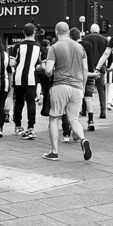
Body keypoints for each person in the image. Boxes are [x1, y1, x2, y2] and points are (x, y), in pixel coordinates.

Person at [40, 22, 92, 161]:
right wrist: (83, 85)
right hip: (77, 87)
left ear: (57, 32)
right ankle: (83, 139)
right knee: (74, 119)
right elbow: (85, 69)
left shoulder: (54, 47)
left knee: (54, 119)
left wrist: (47, 71)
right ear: (68, 32)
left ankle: (54, 151)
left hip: (60, 86)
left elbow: (48, 70)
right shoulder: (80, 47)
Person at [10, 24, 41, 139]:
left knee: (18, 101)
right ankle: (31, 127)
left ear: (23, 32)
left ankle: (18, 126)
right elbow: (40, 65)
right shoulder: (38, 47)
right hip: (31, 78)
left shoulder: (17, 46)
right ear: (34, 33)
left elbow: (12, 63)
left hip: (18, 77)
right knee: (31, 102)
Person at [80, 24, 108, 130]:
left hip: (89, 67)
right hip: (100, 67)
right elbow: (108, 53)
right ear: (99, 30)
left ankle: (84, 110)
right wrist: (108, 65)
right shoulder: (104, 39)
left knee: (86, 89)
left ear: (90, 30)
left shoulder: (85, 39)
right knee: (101, 89)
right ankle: (103, 111)